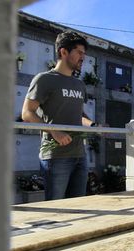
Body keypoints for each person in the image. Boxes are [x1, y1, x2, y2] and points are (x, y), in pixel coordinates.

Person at [21, 31, 99, 200]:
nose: (83, 57)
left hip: (80, 155)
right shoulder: (44, 79)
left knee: (78, 207)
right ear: (63, 52)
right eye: (79, 52)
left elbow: (79, 115)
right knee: (57, 210)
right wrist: (55, 132)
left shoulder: (79, 84)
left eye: (84, 54)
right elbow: (27, 112)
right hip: (55, 157)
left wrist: (93, 125)